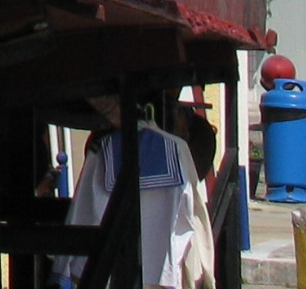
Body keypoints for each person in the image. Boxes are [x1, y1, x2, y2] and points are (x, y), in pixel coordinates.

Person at [53, 94, 213, 289]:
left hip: (109, 271)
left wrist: (61, 272)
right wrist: (204, 272)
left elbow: (80, 214)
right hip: (162, 273)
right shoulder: (177, 150)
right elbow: (194, 217)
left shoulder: (102, 150)